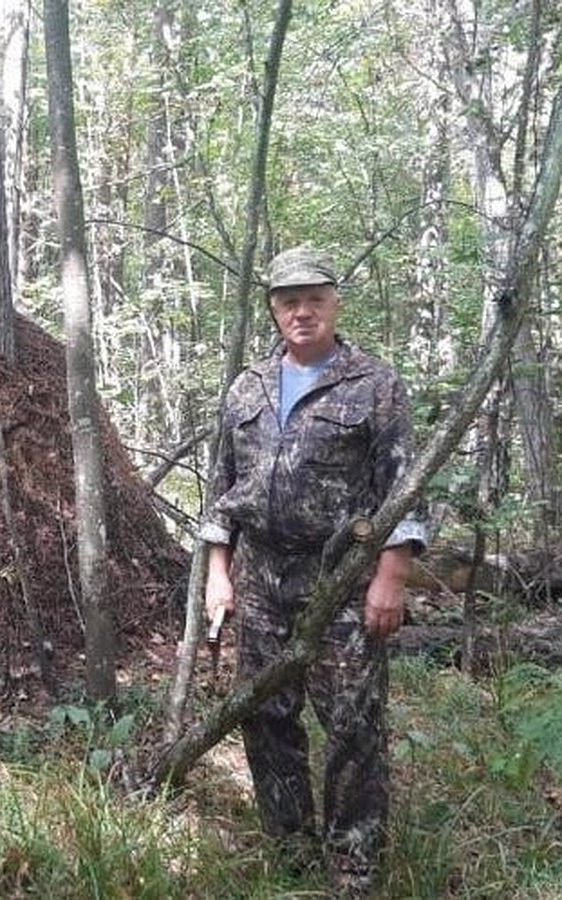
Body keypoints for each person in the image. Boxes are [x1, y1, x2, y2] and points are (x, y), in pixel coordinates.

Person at [198, 246, 426, 896]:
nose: (302, 311)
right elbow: (223, 488)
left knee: (353, 727)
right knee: (267, 719)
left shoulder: (374, 384)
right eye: (288, 300)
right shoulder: (247, 387)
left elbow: (403, 487)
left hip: (343, 584)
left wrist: (391, 578)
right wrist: (221, 572)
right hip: (262, 581)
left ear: (335, 302)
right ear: (273, 309)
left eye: (314, 299)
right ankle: (292, 859)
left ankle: (353, 873)